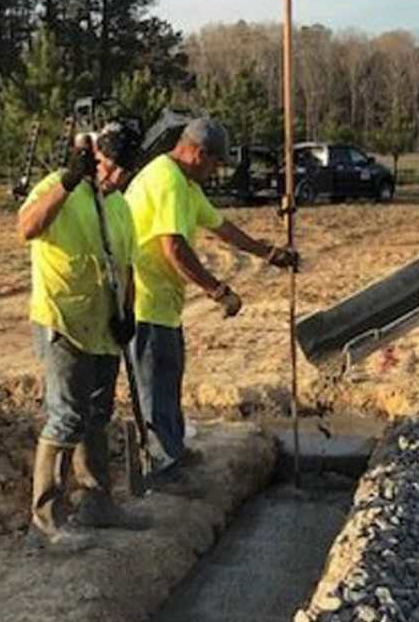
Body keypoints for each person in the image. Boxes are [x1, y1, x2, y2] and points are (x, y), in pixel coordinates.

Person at [123, 116, 298, 489]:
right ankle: (162, 471)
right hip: (144, 301)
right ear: (198, 153)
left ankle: (173, 451)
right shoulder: (167, 180)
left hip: (164, 302)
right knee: (154, 383)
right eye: (216, 163)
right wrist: (217, 290)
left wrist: (268, 253)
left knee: (169, 377)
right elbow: (174, 248)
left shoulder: (185, 183)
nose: (217, 171)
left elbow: (222, 228)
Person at [18, 119, 149, 549]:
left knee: (97, 412)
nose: (114, 177)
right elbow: (27, 227)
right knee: (67, 414)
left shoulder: (119, 206)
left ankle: (97, 501)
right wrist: (69, 180)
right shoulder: (61, 187)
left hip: (104, 325)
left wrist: (128, 311)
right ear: (93, 158)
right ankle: (46, 520)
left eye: (122, 171)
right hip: (64, 319)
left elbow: (125, 264)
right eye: (108, 167)